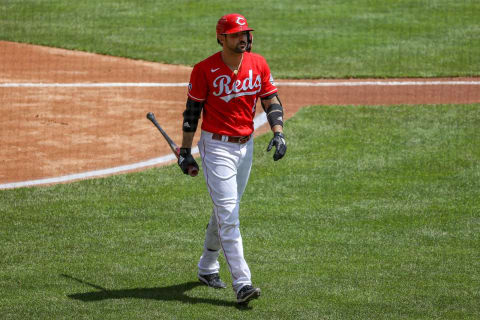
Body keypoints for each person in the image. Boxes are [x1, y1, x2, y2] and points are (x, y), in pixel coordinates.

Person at [177, 13, 287, 304]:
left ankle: (207, 266)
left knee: (227, 208)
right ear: (222, 38)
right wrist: (186, 152)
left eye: (245, 33)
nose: (244, 38)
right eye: (237, 34)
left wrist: (278, 133)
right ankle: (243, 283)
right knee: (229, 215)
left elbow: (271, 100)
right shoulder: (204, 70)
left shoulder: (258, 63)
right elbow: (191, 114)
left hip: (246, 146)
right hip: (217, 148)